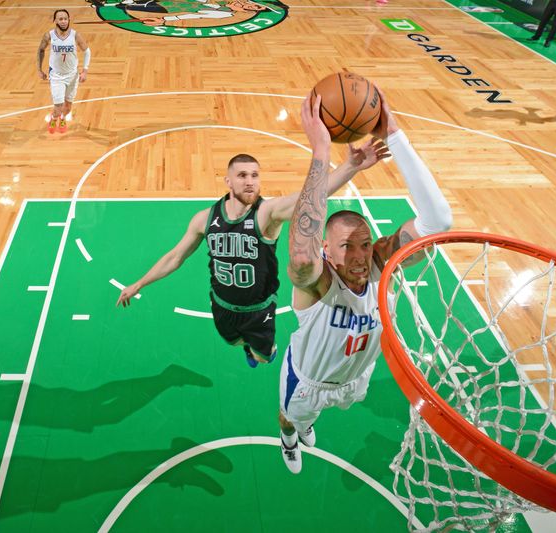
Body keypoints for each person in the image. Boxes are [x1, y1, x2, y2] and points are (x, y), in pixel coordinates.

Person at [277, 90, 452, 474]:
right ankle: (290, 439)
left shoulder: (377, 264)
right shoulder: (316, 282)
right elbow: (301, 252)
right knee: (291, 418)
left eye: (364, 244)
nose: (358, 256)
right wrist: (321, 152)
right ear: (326, 249)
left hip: (357, 378)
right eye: (345, 246)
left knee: (332, 407)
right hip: (307, 381)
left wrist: (394, 134)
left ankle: (306, 426)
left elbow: (438, 222)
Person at [116, 141, 390, 368]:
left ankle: (259, 350)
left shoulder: (267, 214)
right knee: (232, 341)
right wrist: (139, 283)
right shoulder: (204, 219)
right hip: (222, 306)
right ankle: (245, 346)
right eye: (243, 175)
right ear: (228, 181)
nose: (250, 182)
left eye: (255, 175)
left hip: (259, 312)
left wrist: (350, 166)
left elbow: (310, 196)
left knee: (264, 355)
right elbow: (174, 257)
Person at [37, 9, 90, 134]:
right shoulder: (49, 35)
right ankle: (54, 118)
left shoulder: (75, 35)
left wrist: (85, 70)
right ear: (55, 20)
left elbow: (87, 51)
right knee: (58, 106)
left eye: (65, 18)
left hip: (72, 75)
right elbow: (40, 50)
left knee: (68, 108)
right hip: (56, 76)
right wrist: (39, 69)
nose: (63, 21)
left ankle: (62, 117)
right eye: (60, 19)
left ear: (69, 19)